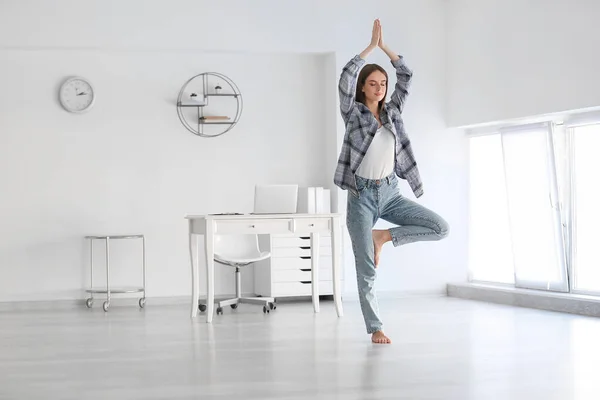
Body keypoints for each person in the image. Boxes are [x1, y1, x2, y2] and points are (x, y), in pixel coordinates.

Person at [334, 19, 449, 344]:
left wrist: (386, 48)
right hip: (362, 197)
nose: (380, 87)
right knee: (366, 267)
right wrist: (370, 47)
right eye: (373, 83)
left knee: (439, 227)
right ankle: (376, 328)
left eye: (383, 82)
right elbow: (344, 78)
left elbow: (407, 76)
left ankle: (383, 235)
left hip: (390, 192)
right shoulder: (352, 113)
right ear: (363, 87)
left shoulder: (394, 112)